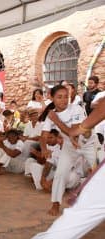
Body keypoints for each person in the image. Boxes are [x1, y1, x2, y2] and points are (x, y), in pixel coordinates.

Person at [3, 96, 105, 239]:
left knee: (80, 213)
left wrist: (78, 129)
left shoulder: (75, 111)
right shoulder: (52, 120)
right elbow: (45, 141)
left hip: (82, 153)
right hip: (68, 157)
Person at [39, 85, 92, 216]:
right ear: (51, 97)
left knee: (98, 170)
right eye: (59, 97)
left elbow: (73, 132)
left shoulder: (76, 108)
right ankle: (55, 204)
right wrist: (44, 148)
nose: (64, 100)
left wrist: (56, 121)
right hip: (70, 146)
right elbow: (43, 136)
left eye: (66, 97)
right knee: (60, 174)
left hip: (88, 143)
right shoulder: (51, 116)